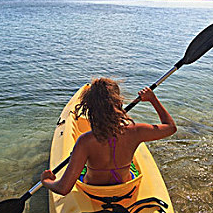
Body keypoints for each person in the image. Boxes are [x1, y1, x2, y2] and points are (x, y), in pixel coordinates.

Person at [41, 78, 177, 195]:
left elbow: (63, 188)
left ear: (90, 108)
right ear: (119, 103)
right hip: (126, 186)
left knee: (80, 165)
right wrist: (153, 99)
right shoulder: (136, 131)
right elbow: (171, 127)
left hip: (93, 189)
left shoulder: (85, 142)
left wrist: (47, 181)